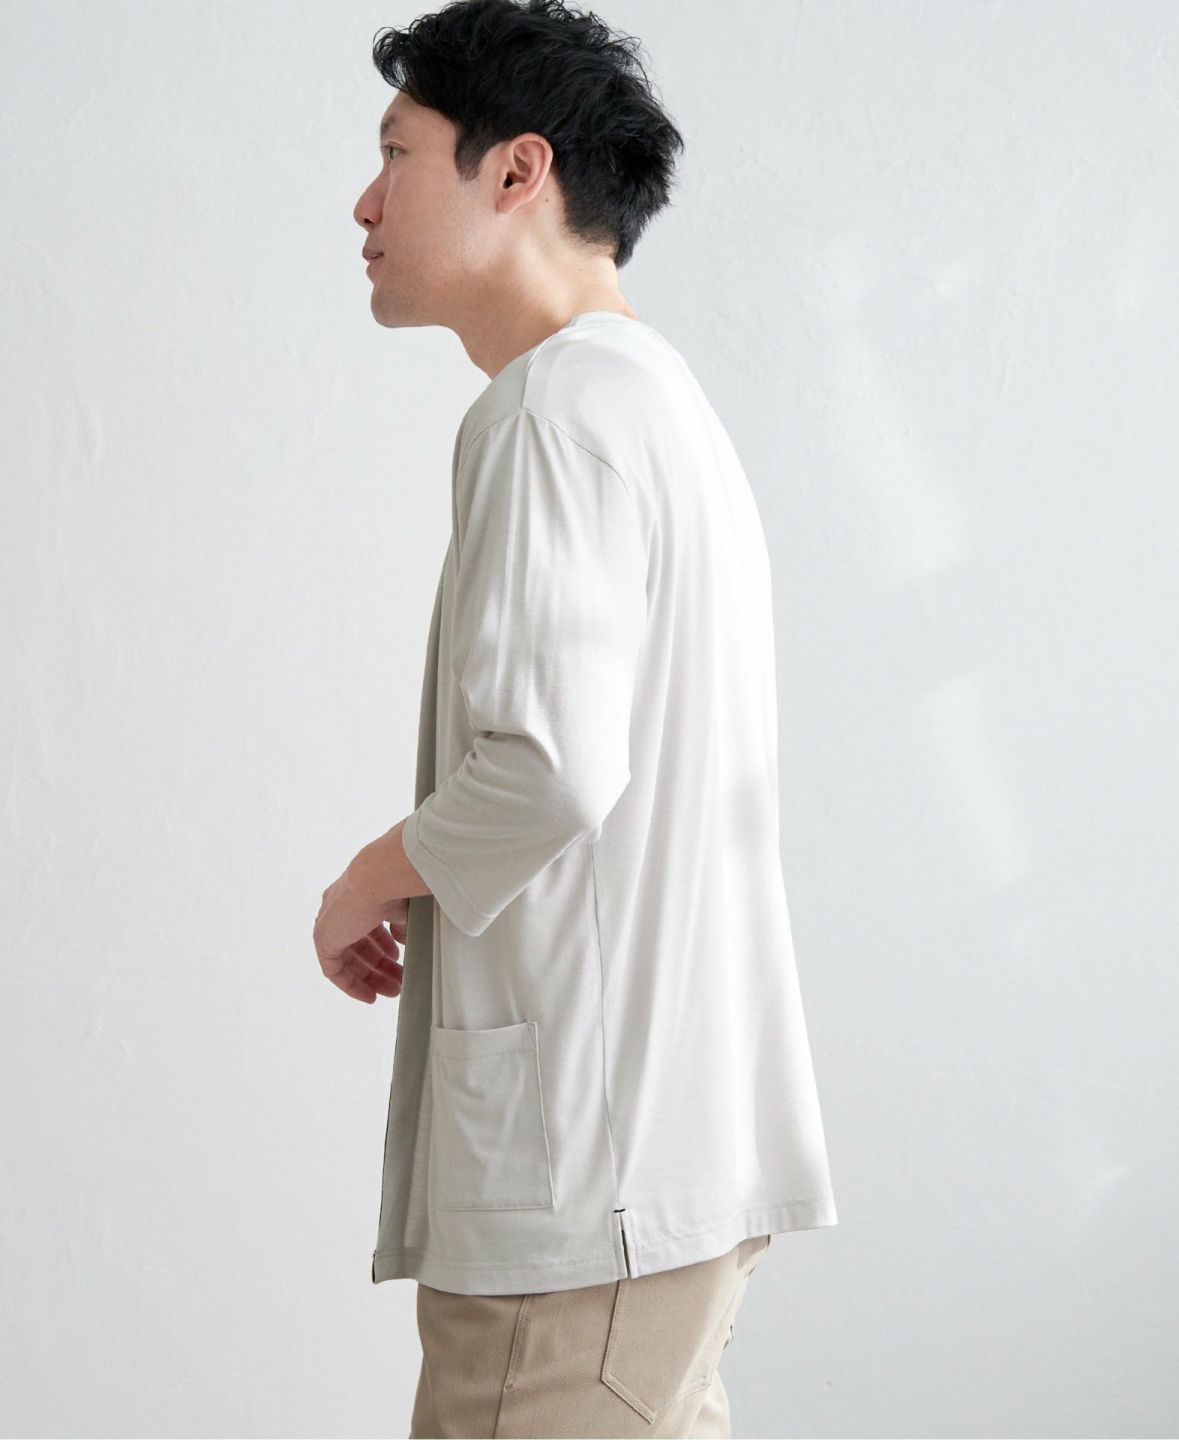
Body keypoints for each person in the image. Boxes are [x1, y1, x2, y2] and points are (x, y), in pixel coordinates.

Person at [313, 2, 839, 1433]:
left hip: (582, 1201)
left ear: (516, 170)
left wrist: (368, 877)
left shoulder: (551, 412)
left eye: (396, 155)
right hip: (661, 1176)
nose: (364, 204)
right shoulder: (656, 403)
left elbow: (547, 769)